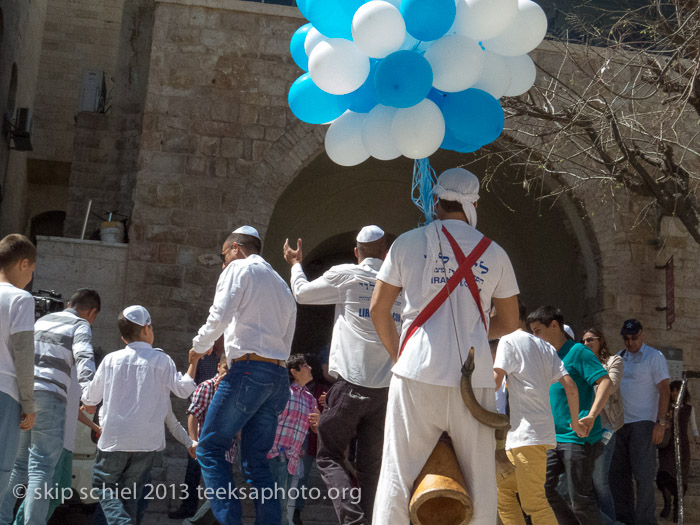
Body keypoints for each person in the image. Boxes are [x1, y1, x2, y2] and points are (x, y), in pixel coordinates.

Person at [369, 167, 520, 524]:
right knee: (480, 477)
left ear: (436, 201)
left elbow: (378, 308)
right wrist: (472, 335)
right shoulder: (495, 253)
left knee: (398, 470)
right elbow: (510, 322)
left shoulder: (406, 242)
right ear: (474, 204)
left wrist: (399, 355)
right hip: (475, 377)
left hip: (416, 369)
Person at [283, 224, 402, 524]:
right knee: (372, 468)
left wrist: (297, 265)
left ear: (356, 253)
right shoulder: (401, 283)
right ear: (386, 251)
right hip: (386, 390)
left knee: (328, 455)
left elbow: (302, 294)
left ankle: (352, 519)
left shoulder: (347, 274)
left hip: (350, 384)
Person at [191, 226, 297, 525]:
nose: (223, 263)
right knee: (256, 463)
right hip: (277, 375)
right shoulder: (281, 283)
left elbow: (219, 314)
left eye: (223, 256)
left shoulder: (239, 268)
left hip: (249, 370)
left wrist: (198, 347)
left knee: (210, 448)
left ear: (236, 248)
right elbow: (288, 336)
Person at [81, 305, 200, 524]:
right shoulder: (161, 361)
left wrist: (87, 402)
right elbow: (183, 391)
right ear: (146, 329)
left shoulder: (111, 360)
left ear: (123, 338)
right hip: (146, 444)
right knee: (132, 496)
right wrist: (193, 362)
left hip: (115, 440)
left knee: (103, 486)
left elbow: (90, 398)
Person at [2, 288, 100, 525]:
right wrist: (90, 395)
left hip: (24, 394)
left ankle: (3, 518)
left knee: (19, 465)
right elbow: (84, 356)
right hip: (50, 396)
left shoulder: (42, 320)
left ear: (69, 303)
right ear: (92, 312)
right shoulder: (80, 325)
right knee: (42, 469)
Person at [494, 301, 585, 525]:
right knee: (503, 491)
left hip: (527, 438)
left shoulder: (508, 341)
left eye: (495, 314)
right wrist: (575, 422)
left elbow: (494, 382)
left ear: (510, 313)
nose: (492, 320)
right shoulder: (545, 347)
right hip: (529, 437)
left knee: (534, 503)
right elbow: (570, 386)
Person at [527, 306, 613, 525]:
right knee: (544, 490)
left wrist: (592, 415)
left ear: (554, 326)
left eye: (538, 331)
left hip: (578, 437)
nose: (535, 337)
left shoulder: (578, 352)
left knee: (580, 500)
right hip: (551, 438)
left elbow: (605, 382)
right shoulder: (546, 356)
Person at [609, 318, 670, 525]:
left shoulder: (655, 357)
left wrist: (660, 422)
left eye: (634, 337)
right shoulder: (619, 357)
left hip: (644, 423)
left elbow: (664, 389)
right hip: (619, 424)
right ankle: (623, 520)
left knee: (643, 477)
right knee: (619, 476)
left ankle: (645, 521)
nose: (630, 342)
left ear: (642, 335)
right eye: (626, 338)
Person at [170, 336, 225, 521]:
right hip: (201, 415)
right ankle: (188, 508)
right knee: (193, 469)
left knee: (219, 477)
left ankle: (210, 515)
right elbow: (192, 380)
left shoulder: (231, 357)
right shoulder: (204, 357)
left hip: (222, 425)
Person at [0, 234, 36, 507]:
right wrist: (29, 404)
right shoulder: (21, 299)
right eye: (32, 270)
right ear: (24, 264)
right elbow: (23, 355)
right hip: (6, 393)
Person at [268, 355, 319, 525]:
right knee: (279, 507)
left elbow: (315, 429)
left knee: (278, 506)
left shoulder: (309, 398)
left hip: (292, 459)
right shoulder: (281, 392)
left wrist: (319, 420)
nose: (310, 368)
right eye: (305, 366)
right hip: (274, 454)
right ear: (294, 372)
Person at [581, 327, 624, 524]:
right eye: (584, 341)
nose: (587, 344)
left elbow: (611, 385)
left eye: (590, 340)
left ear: (601, 341)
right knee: (584, 483)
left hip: (606, 427)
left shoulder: (614, 361)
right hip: (585, 429)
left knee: (600, 482)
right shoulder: (581, 363)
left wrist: (592, 382)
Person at [656, 381, 694, 522]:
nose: (674, 393)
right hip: (667, 447)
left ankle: (677, 507)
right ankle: (666, 504)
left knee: (680, 478)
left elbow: (693, 427)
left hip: (682, 448)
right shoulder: (665, 408)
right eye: (672, 391)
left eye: (677, 390)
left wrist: (697, 440)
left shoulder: (689, 409)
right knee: (665, 475)